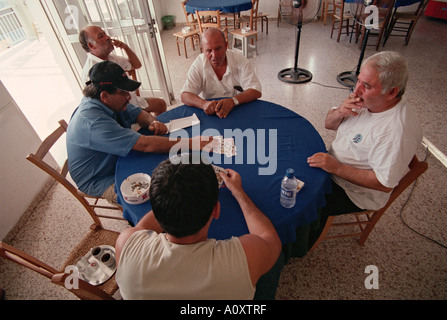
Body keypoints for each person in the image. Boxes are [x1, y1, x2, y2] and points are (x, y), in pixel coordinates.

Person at [115, 157, 282, 299]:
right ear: (216, 210)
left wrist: (169, 196)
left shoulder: (126, 243)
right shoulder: (246, 257)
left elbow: (143, 226)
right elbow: (269, 238)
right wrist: (239, 192)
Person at [307, 51, 422, 243]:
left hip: (353, 192)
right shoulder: (367, 100)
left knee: (305, 200)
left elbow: (384, 184)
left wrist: (336, 167)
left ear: (391, 92)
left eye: (366, 85)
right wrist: (340, 112)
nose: (356, 89)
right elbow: (329, 124)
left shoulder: (397, 131)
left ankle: (301, 244)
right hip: (332, 165)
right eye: (358, 80)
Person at [66, 61, 211, 203]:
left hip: (115, 157)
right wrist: (190, 143)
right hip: (100, 177)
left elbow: (138, 113)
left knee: (165, 170)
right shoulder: (92, 122)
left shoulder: (110, 102)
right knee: (157, 195)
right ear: (104, 96)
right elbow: (144, 144)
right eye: (123, 93)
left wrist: (152, 122)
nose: (129, 97)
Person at [79, 25, 166, 116]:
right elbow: (106, 106)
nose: (108, 37)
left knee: (161, 104)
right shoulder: (92, 72)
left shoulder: (110, 58)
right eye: (101, 36)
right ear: (91, 45)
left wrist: (125, 47)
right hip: (122, 110)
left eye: (105, 34)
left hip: (132, 100)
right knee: (149, 120)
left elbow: (136, 65)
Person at [180, 28, 262, 118]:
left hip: (239, 109)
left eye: (218, 49)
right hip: (213, 114)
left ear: (226, 46)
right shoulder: (199, 63)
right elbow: (185, 95)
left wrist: (233, 101)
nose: (214, 55)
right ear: (202, 50)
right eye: (209, 51)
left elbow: (256, 91)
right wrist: (203, 104)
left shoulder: (240, 61)